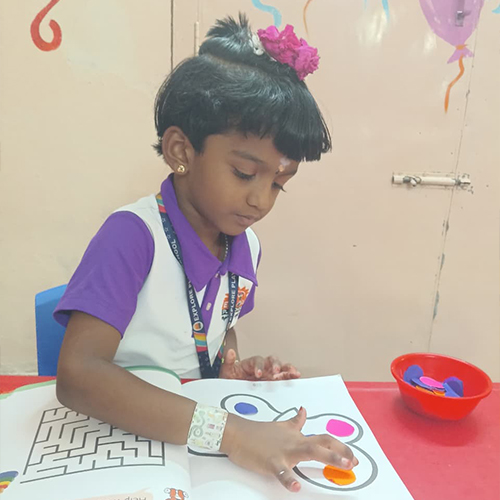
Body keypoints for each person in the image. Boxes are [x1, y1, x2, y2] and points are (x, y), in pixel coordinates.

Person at [54, 14, 358, 492]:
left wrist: (227, 363)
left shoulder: (246, 243)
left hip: (192, 437)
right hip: (116, 438)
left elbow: (217, 323)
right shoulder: (132, 236)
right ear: (181, 150)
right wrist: (231, 432)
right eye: (244, 173)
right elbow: (78, 374)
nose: (260, 200)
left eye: (279, 183)